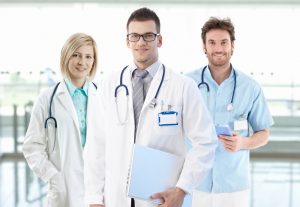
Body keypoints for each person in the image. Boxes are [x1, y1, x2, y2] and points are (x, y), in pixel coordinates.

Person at [84, 7, 217, 207]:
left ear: (159, 40)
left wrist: (182, 189)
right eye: (135, 36)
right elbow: (95, 146)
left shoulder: (182, 86)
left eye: (148, 35)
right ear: (127, 41)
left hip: (163, 199)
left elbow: (206, 142)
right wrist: (94, 198)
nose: (141, 42)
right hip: (116, 198)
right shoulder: (108, 86)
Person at [187, 17, 274, 207]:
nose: (218, 48)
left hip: (234, 186)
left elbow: (264, 133)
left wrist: (243, 142)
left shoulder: (250, 87)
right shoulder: (187, 84)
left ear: (232, 46)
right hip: (194, 183)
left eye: (224, 42)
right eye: (212, 42)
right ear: (204, 47)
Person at [22, 33, 99, 207]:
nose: (82, 62)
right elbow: (32, 146)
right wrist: (53, 177)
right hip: (64, 189)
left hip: (97, 189)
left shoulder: (103, 97)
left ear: (94, 61)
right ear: (66, 56)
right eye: (76, 55)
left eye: (88, 56)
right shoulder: (47, 99)